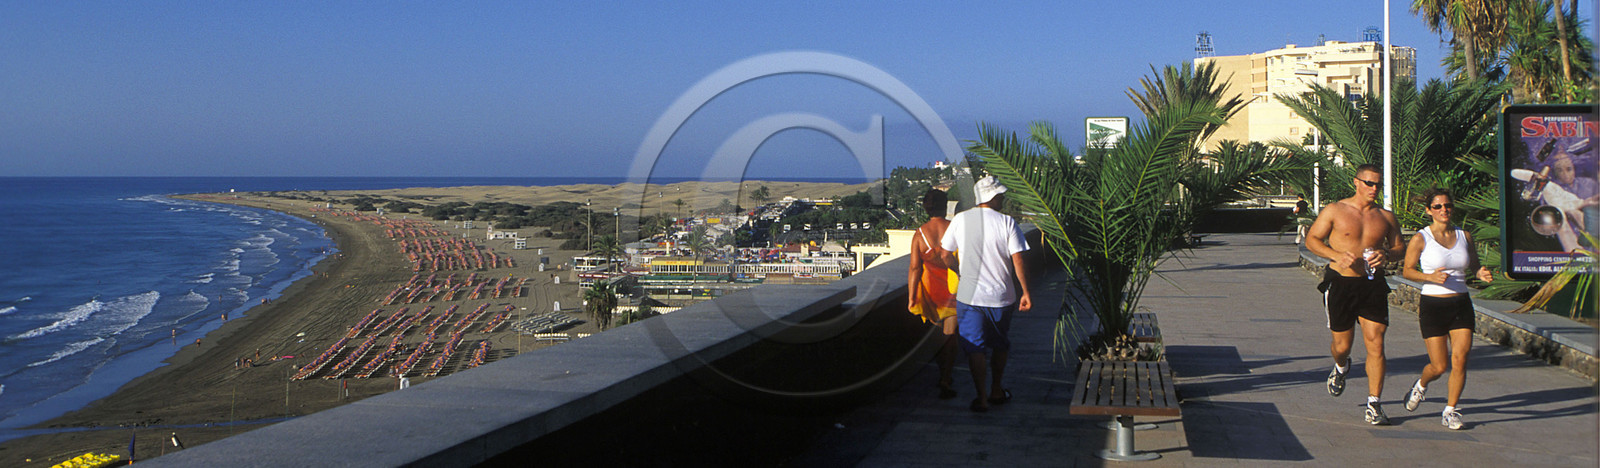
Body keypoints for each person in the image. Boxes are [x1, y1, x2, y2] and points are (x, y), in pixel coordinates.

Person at [1304, 164, 1403, 425]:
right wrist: (1336, 255)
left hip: (1372, 284)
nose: (1374, 189)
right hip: (1341, 284)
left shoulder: (1386, 217)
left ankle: (1374, 404)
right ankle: (1340, 366)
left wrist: (1388, 254)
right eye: (1369, 183)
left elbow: (1399, 246)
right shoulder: (1335, 210)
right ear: (1356, 182)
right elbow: (1312, 239)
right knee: (1342, 346)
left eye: (1378, 185)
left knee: (1377, 343)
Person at [1400, 188, 1493, 430]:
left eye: (1448, 206)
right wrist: (1428, 277)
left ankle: (1451, 410)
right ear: (1429, 210)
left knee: (1460, 360)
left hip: (1461, 303)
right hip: (1433, 305)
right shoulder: (1422, 238)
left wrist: (1480, 273)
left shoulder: (1464, 235)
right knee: (1439, 366)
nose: (1444, 210)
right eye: (1438, 206)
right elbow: (1407, 270)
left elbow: (1473, 264)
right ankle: (1420, 385)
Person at [940, 176, 1032, 413]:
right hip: (1002, 297)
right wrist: (1025, 291)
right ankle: (996, 389)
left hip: (969, 297)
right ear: (993, 197)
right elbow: (1018, 258)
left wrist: (959, 271)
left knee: (975, 347)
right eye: (1000, 195)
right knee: (1000, 344)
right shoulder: (1007, 222)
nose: (1003, 197)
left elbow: (944, 254)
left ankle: (980, 397)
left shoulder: (960, 219)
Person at [907, 188, 960, 399]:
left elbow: (914, 268)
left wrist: (912, 296)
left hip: (930, 293)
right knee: (951, 336)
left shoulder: (920, 234)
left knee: (938, 337)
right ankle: (947, 377)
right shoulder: (955, 229)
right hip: (954, 289)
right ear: (945, 205)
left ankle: (942, 374)